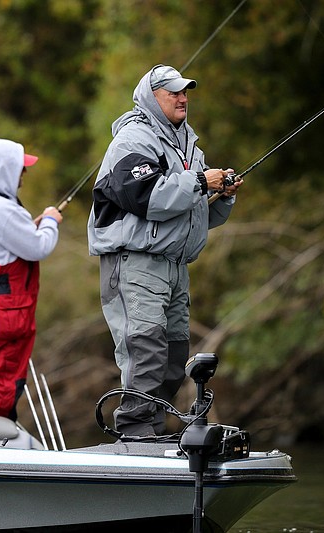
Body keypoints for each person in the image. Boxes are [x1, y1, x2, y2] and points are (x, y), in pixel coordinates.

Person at [87, 64, 243, 437]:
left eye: (185, 91)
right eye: (173, 92)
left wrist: (221, 197)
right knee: (146, 351)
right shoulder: (132, 141)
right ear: (150, 98)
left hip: (175, 267)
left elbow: (198, 215)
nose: (183, 98)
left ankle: (152, 433)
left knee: (175, 357)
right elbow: (150, 198)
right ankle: (136, 433)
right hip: (135, 262)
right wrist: (200, 181)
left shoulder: (189, 144)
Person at [0, 138, 63, 422]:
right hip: (4, 307)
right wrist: (50, 221)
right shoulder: (1, 209)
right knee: (3, 378)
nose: (24, 174)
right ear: (7, 169)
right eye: (20, 167)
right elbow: (39, 247)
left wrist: (30, 227)